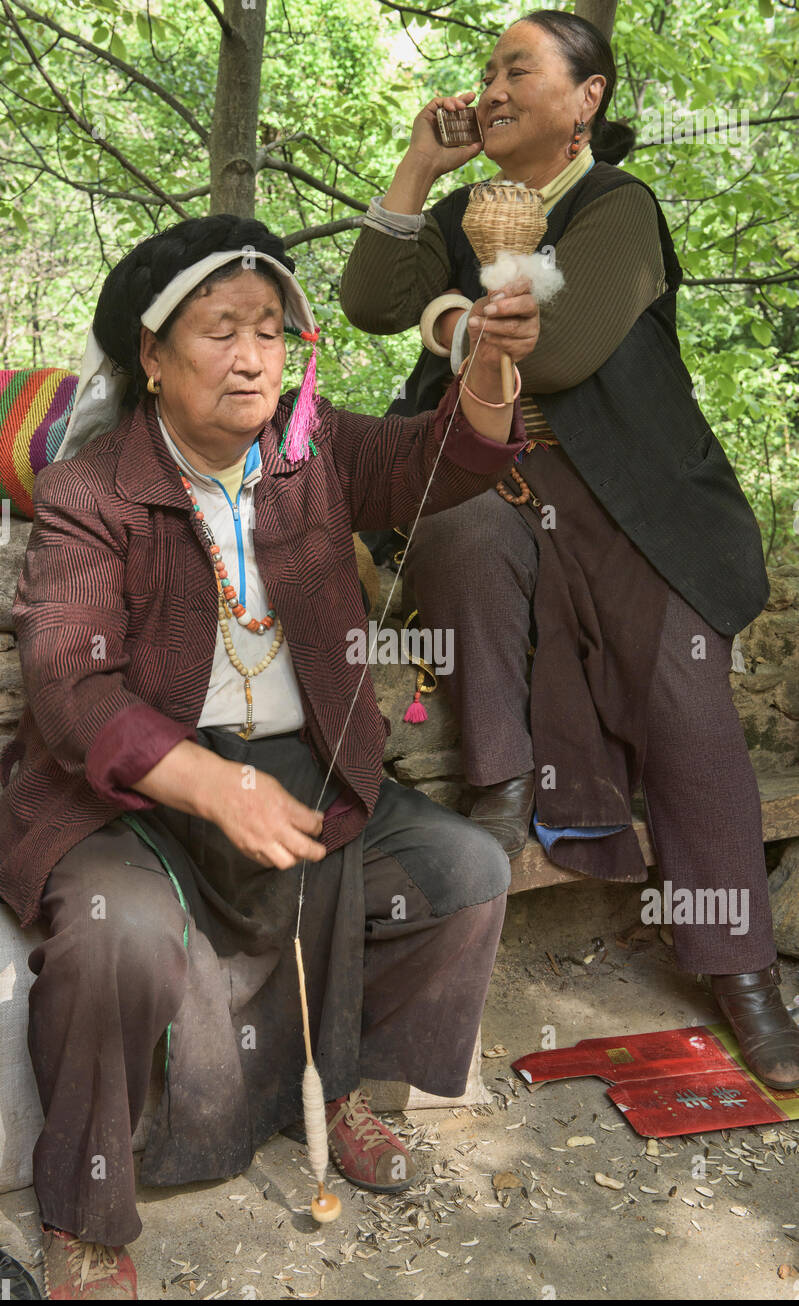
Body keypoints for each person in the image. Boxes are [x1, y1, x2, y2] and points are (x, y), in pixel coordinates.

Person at [0, 213, 539, 1300]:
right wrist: (206, 778)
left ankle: (337, 1088)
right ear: (151, 358)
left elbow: (449, 462)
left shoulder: (317, 451)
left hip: (303, 774)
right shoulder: (90, 493)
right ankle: (88, 1215)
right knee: (115, 936)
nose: (253, 354)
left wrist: (485, 362)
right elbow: (68, 682)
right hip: (133, 800)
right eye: (218, 331)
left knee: (463, 874)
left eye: (271, 329)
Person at [340, 11, 799, 1093]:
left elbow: (555, 354)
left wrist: (450, 314)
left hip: (632, 493)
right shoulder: (457, 207)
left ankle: (736, 967)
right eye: (487, 69)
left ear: (583, 99)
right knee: (457, 527)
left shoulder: (616, 209)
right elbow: (367, 301)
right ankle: (501, 784)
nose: (492, 87)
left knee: (681, 689)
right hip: (485, 469)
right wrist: (418, 166)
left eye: (519, 70)